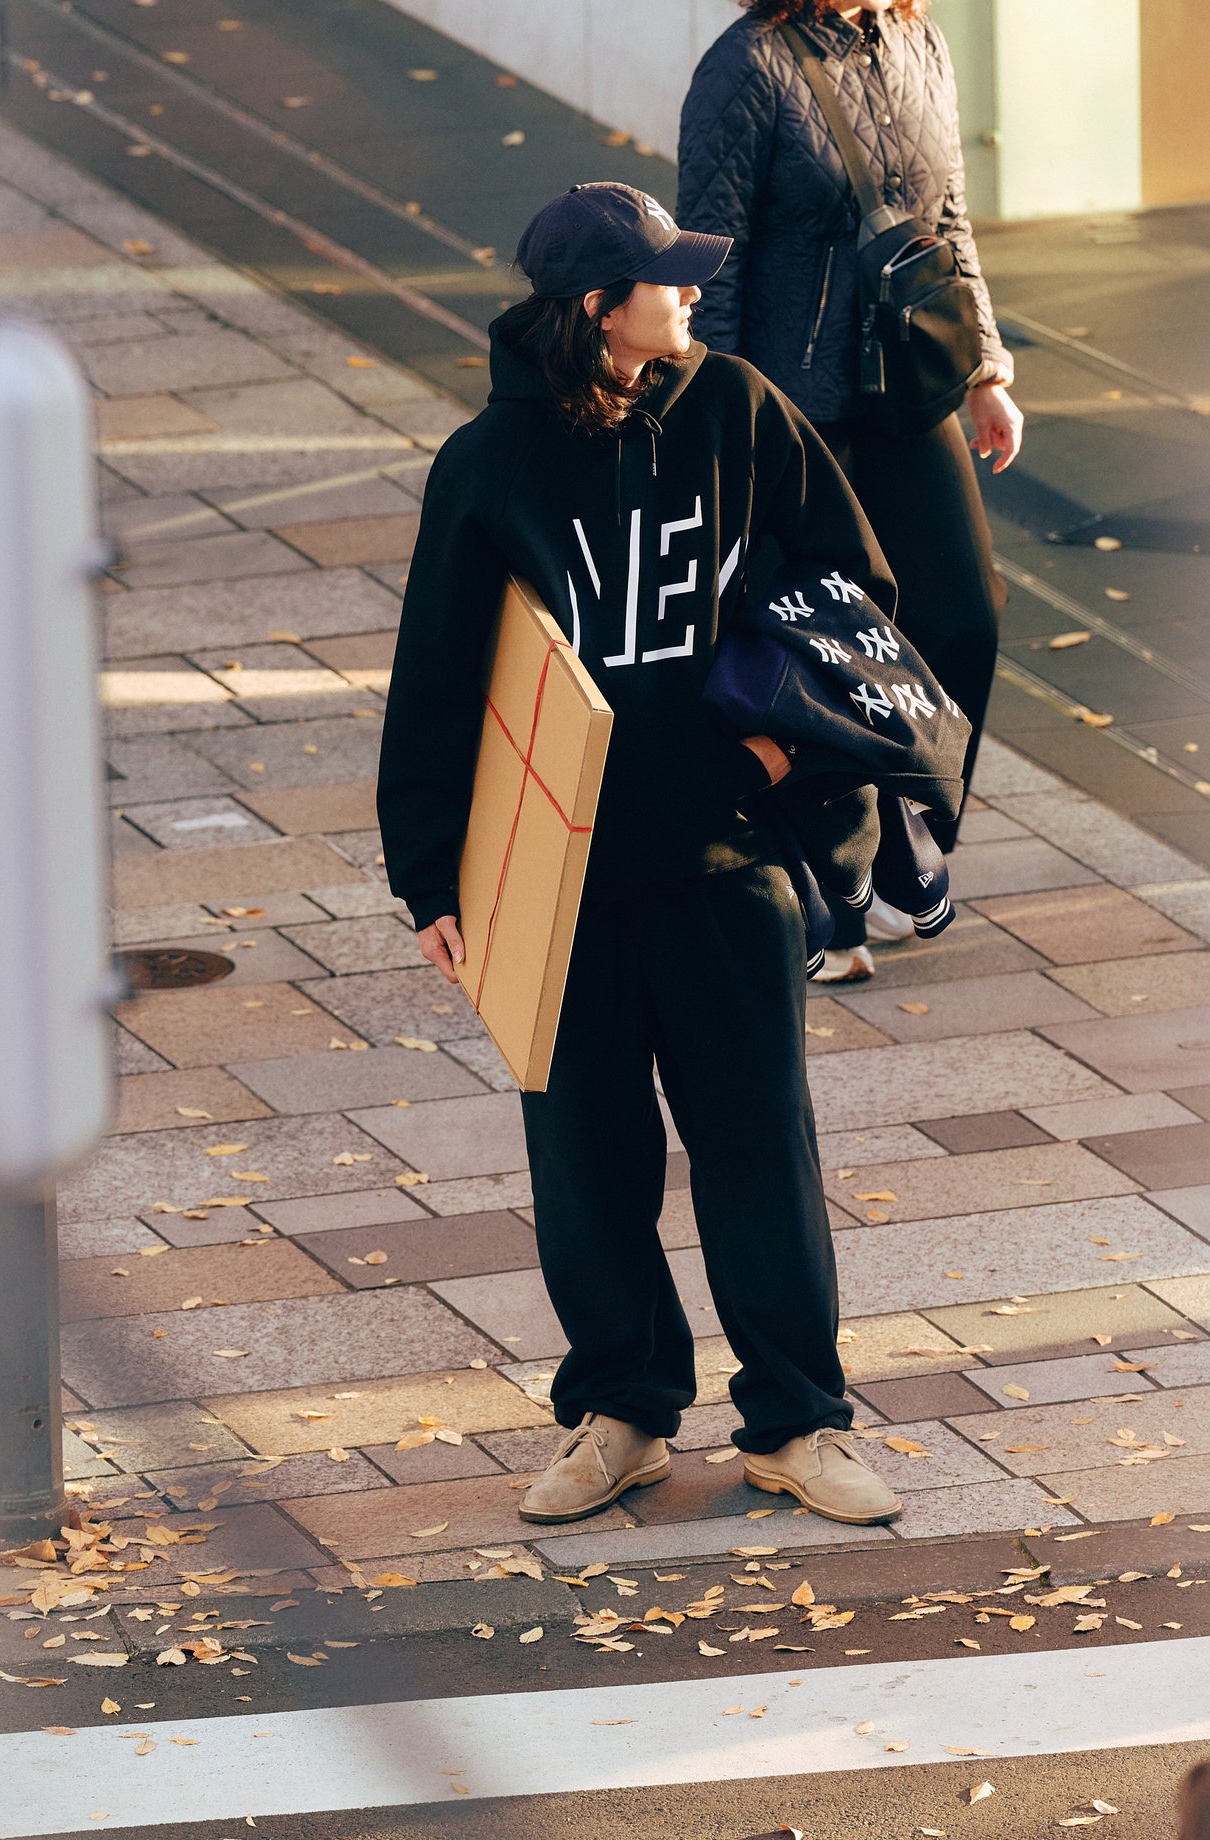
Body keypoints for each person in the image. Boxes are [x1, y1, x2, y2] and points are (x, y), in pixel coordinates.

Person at [376, 181, 902, 1529]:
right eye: (665, 279)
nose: (692, 295)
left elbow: (846, 580)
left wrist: (789, 752)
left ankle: (799, 1421)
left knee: (757, 1151)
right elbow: (436, 678)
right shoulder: (488, 468)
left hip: (727, 863)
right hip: (558, 886)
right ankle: (622, 1413)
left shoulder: (732, 409)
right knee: (585, 1160)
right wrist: (433, 879)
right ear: (602, 310)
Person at [678, 0, 1023, 982]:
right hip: (794, 411)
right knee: (821, 644)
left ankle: (906, 805)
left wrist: (984, 371)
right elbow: (714, 264)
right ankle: (834, 882)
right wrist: (727, 426)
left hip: (908, 385)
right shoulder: (743, 67)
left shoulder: (916, 37)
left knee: (962, 616)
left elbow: (944, 220)